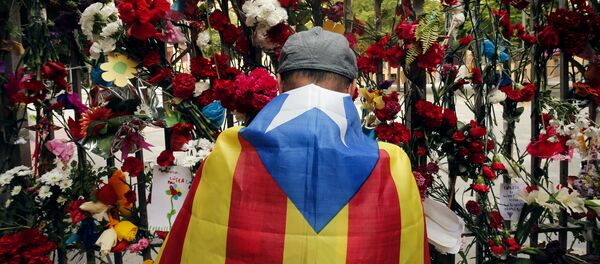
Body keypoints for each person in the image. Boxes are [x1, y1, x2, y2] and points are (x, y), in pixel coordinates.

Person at [156, 26, 429, 264]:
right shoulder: (391, 164)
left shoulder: (230, 153)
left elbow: (196, 244)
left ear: (278, 84)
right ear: (353, 88)